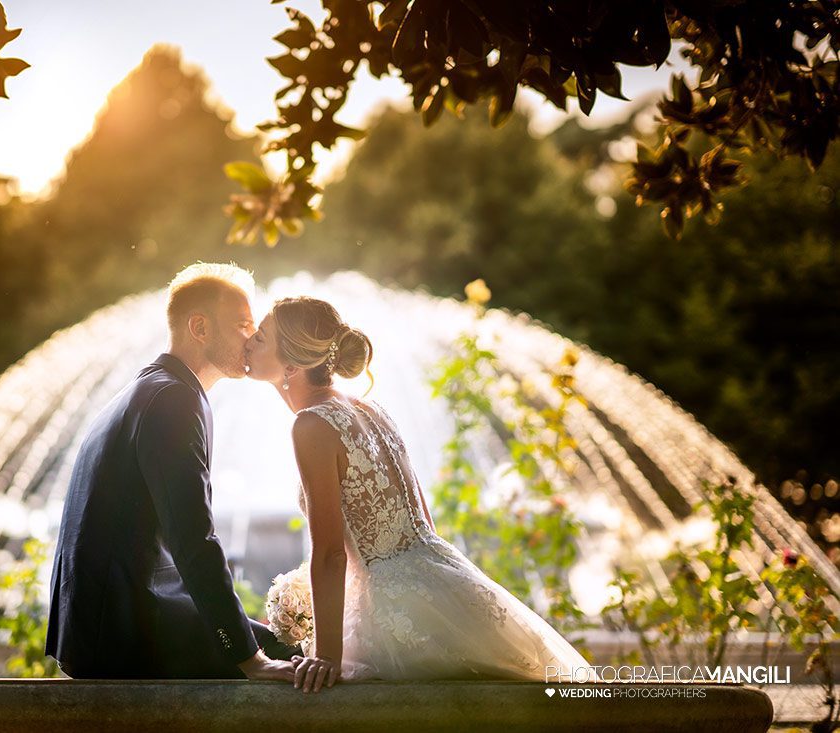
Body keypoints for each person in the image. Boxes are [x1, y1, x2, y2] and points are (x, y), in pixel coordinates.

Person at [244, 296, 595, 693]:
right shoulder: (371, 409)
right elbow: (421, 522)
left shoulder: (310, 425)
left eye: (260, 336)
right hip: (445, 580)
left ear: (291, 364)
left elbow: (330, 553)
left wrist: (326, 656)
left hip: (397, 614)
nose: (249, 342)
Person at [45, 263, 295, 680]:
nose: (252, 338)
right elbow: (193, 538)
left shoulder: (150, 388)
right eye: (242, 325)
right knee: (303, 661)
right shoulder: (174, 399)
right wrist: (249, 659)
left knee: (286, 646)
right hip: (126, 633)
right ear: (199, 327)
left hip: (100, 627)